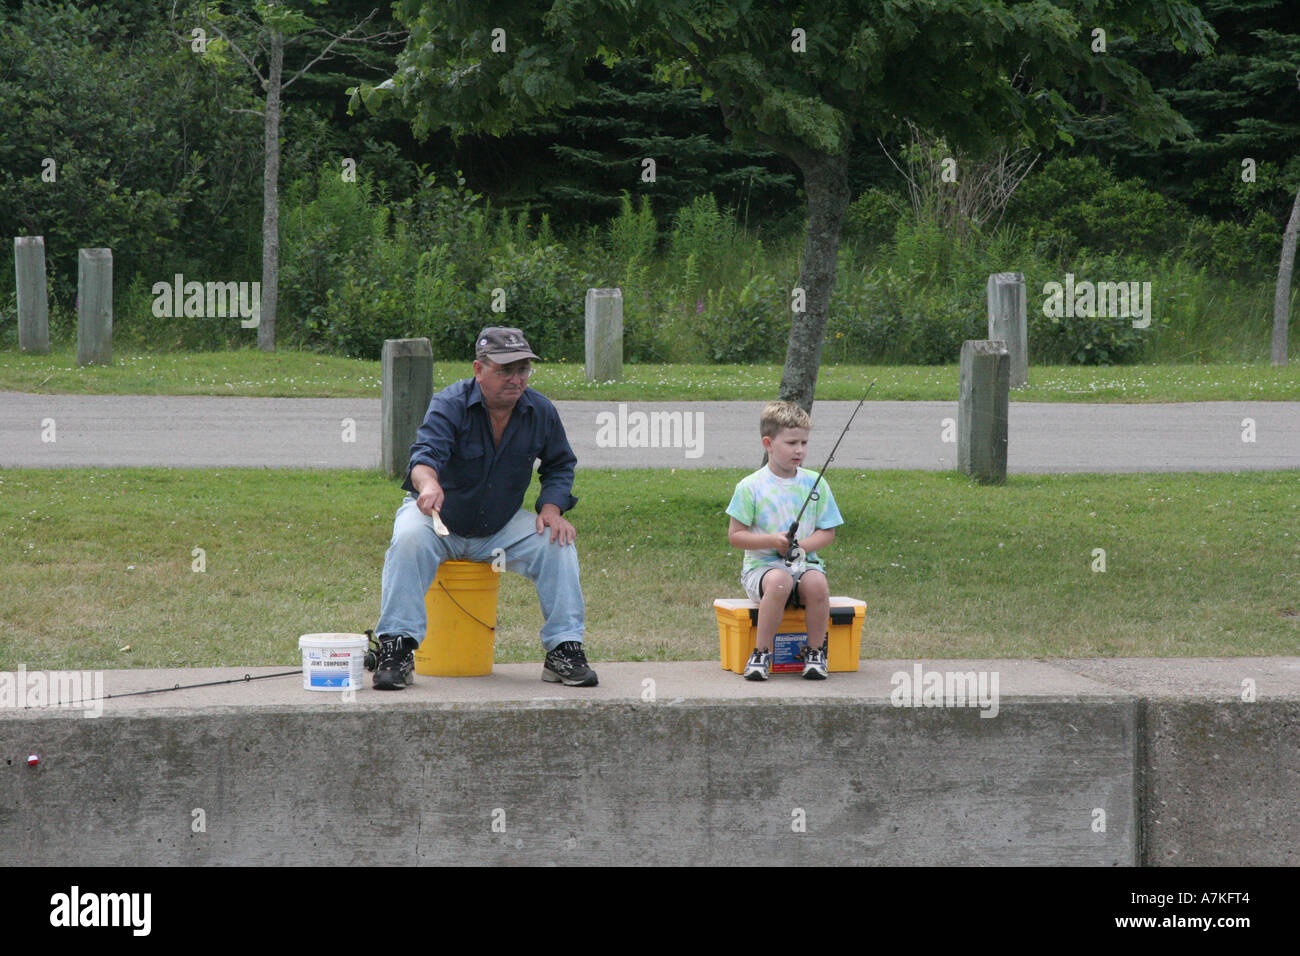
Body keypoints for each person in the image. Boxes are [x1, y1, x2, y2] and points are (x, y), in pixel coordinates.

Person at [371, 327, 596, 689]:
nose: (515, 379)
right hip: (439, 522)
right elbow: (423, 457)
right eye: (504, 370)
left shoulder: (540, 410)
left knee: (558, 542)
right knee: (409, 537)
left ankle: (563, 650)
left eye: (522, 369)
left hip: (500, 530)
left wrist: (552, 509)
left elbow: (559, 465)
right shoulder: (450, 403)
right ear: (479, 369)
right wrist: (428, 484)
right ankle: (396, 649)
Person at [725, 400, 844, 680]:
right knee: (780, 580)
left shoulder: (816, 483)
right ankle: (761, 653)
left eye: (804, 442)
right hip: (762, 571)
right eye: (791, 443)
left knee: (817, 583)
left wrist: (801, 547)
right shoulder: (750, 486)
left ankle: (815, 653)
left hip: (805, 566)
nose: (799, 450)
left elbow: (827, 531)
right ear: (768, 443)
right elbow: (735, 536)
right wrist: (771, 541)